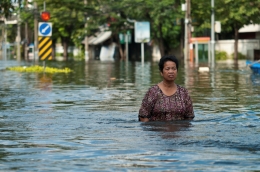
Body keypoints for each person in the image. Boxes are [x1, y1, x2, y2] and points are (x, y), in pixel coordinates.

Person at [138, 55, 195, 122]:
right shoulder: (153, 92)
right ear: (161, 72)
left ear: (177, 71)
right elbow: (143, 116)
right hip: (157, 131)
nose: (171, 71)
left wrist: (181, 131)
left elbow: (189, 117)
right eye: (167, 69)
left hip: (179, 131)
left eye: (174, 68)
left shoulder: (183, 92)